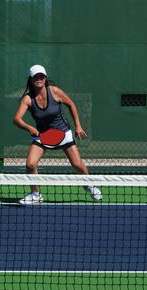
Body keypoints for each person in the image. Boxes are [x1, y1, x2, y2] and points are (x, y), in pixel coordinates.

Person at [13, 64, 102, 204]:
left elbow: (71, 104)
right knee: (30, 164)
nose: (39, 79)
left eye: (41, 76)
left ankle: (90, 185)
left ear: (45, 78)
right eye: (35, 76)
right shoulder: (27, 99)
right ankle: (36, 194)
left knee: (77, 164)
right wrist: (29, 128)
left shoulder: (54, 91)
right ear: (31, 80)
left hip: (63, 133)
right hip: (43, 136)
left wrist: (78, 126)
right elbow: (16, 119)